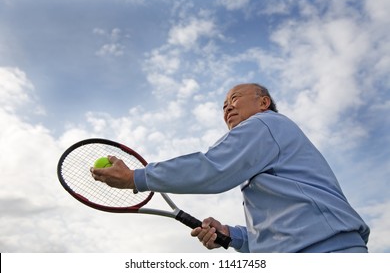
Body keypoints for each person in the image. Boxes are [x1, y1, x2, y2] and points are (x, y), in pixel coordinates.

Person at [91, 83, 370, 253]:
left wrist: (135, 177)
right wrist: (232, 235)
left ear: (264, 103)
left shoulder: (266, 123)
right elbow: (279, 234)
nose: (227, 108)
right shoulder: (264, 153)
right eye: (223, 106)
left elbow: (213, 168)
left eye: (235, 99)